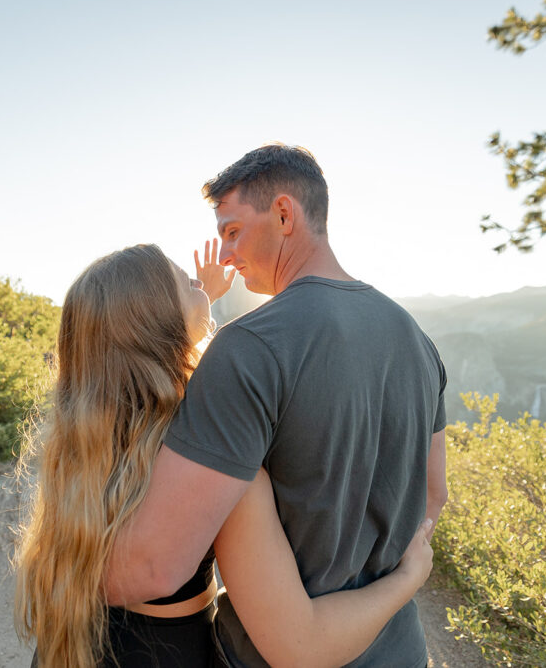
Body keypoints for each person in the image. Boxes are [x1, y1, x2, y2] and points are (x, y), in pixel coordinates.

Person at [104, 145, 448, 667]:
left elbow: (158, 564)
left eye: (233, 231)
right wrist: (394, 576)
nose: (225, 254)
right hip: (401, 651)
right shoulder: (419, 342)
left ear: (285, 215)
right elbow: (433, 493)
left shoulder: (248, 347)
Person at [14, 243, 436, 667]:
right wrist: (408, 578)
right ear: (158, 320)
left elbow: (143, 343)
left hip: (68, 648)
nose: (201, 282)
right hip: (165, 654)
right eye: (188, 281)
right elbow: (304, 646)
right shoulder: (210, 458)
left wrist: (202, 298)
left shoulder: (84, 440)